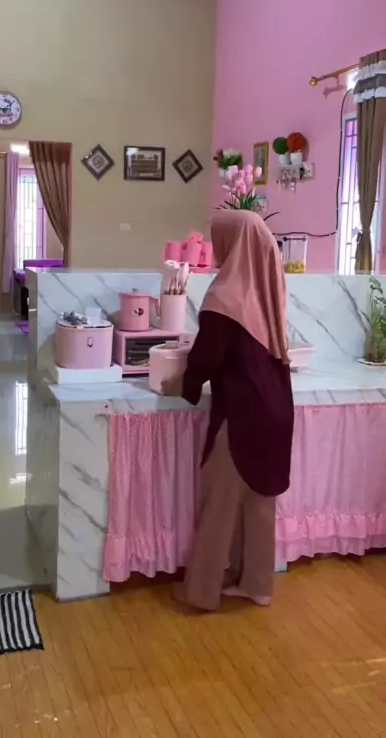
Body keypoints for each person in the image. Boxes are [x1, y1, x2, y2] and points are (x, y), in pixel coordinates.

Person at [164, 210, 294, 611]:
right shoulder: (268, 289)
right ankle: (257, 585)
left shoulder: (224, 295)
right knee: (259, 503)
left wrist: (181, 384)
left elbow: (207, 358)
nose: (214, 247)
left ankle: (201, 592)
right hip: (277, 411)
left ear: (233, 243)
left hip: (242, 415)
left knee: (218, 504)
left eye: (218, 238)